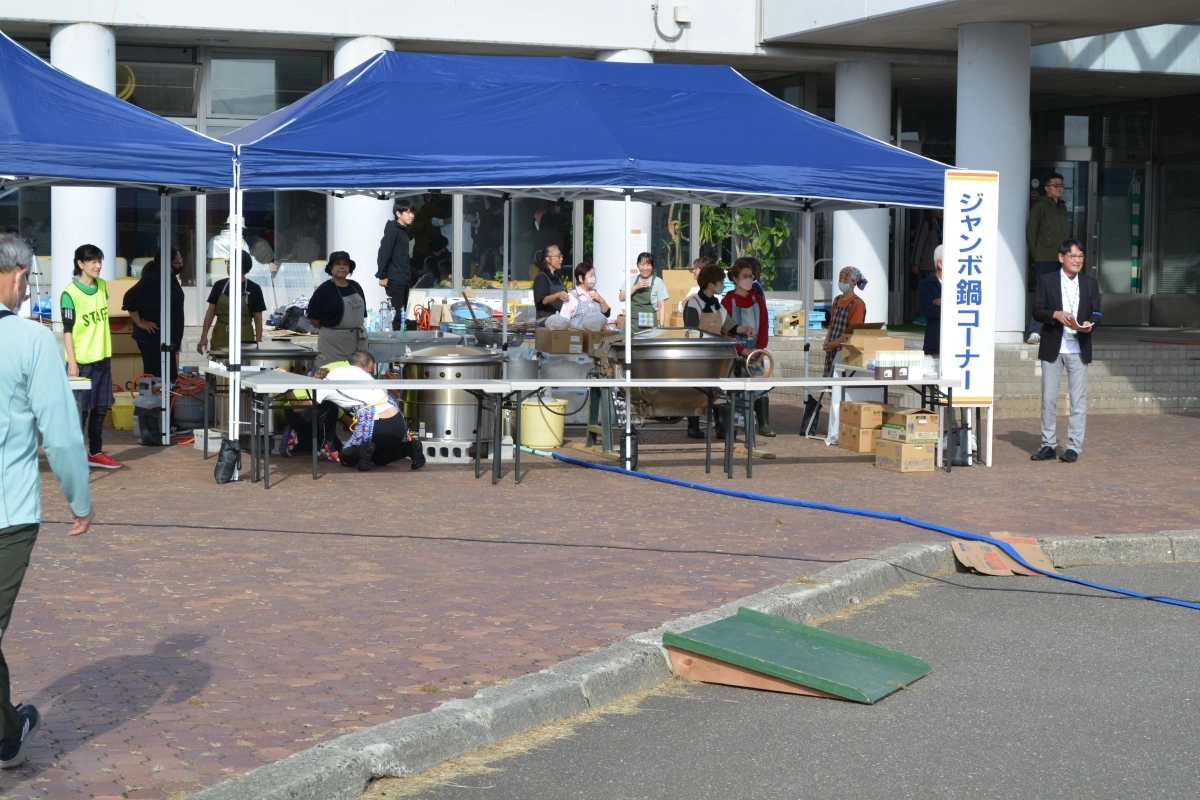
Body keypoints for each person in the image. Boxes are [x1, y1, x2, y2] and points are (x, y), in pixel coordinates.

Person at [0, 234, 94, 769]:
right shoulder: (32, 340)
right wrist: (79, 499)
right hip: (8, 511)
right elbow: (60, 433)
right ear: (19, 275)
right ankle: (7, 732)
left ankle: (7, 733)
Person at [1031, 239, 1100, 464]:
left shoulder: (1090, 283)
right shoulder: (1047, 281)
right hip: (1053, 346)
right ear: (1061, 257)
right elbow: (1036, 311)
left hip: (1079, 348)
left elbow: (1098, 311)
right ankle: (1048, 445)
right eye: (1073, 256)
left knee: (1078, 401)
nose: (1078, 260)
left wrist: (1090, 323)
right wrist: (1055, 314)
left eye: (1081, 256)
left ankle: (1073, 447)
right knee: (1048, 399)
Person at [61, 244, 121, 470]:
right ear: (80, 264)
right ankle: (75, 456)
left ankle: (95, 452)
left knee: (101, 408)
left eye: (99, 261)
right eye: (93, 261)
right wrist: (72, 362)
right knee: (80, 411)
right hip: (81, 362)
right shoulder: (70, 293)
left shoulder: (102, 286)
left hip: (102, 358)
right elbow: (67, 330)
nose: (98, 266)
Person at [317, 350, 426, 471]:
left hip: (375, 423)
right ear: (359, 366)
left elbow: (307, 404)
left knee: (345, 457)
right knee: (378, 459)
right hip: (398, 420)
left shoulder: (326, 383)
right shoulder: (361, 373)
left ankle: (363, 448)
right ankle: (409, 448)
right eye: (369, 370)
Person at [682, 263, 738, 439]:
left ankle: (721, 428)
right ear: (711, 284)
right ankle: (693, 428)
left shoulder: (717, 305)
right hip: (697, 355)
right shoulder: (693, 303)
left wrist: (745, 329)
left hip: (716, 355)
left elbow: (730, 326)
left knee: (719, 391)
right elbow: (691, 331)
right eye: (721, 282)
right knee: (696, 391)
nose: (723, 285)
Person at [721, 258, 774, 437]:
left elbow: (764, 327)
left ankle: (764, 424)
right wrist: (741, 350)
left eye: (751, 276)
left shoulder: (758, 300)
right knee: (736, 389)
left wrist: (759, 350)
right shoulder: (727, 301)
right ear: (735, 278)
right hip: (735, 352)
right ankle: (736, 425)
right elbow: (725, 332)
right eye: (745, 276)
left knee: (760, 386)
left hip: (756, 353)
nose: (749, 279)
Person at [122, 247, 185, 380]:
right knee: (157, 379)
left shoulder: (170, 278)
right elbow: (129, 298)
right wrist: (139, 322)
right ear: (167, 263)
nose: (180, 265)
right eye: (177, 262)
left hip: (166, 340)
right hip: (154, 340)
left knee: (170, 378)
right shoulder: (153, 278)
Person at [1025, 173, 1070, 345]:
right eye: (1055, 185)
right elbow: (1031, 232)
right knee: (1042, 294)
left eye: (1061, 185)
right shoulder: (1040, 206)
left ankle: (1057, 331)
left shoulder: (1063, 207)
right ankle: (1035, 331)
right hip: (1044, 257)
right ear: (1046, 188)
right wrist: (1036, 255)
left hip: (1062, 257)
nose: (1059, 188)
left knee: (1061, 293)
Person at [197, 252, 266, 354]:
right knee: (218, 363)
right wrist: (204, 336)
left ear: (242, 266)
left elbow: (258, 318)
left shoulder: (254, 288)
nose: (228, 265)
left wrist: (259, 342)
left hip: (244, 337)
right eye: (228, 262)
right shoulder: (219, 285)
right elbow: (210, 312)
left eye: (232, 263)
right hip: (220, 335)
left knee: (243, 363)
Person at [307, 251, 366, 364]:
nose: (342, 267)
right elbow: (314, 318)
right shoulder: (323, 290)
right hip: (332, 344)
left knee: (358, 372)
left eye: (345, 264)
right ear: (331, 268)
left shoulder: (356, 286)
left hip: (357, 340)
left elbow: (362, 313)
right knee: (331, 372)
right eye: (338, 264)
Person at [376, 198, 415, 330]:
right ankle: (396, 339)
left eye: (412, 213)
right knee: (396, 316)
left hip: (403, 278)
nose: (411, 216)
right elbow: (384, 253)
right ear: (398, 213)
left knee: (402, 314)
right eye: (408, 212)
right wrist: (382, 275)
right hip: (395, 279)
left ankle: (401, 336)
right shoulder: (393, 230)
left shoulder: (403, 231)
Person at [619, 252, 669, 329]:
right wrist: (635, 287)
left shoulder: (658, 282)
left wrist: (661, 325)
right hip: (631, 324)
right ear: (637, 265)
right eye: (642, 265)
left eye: (648, 265)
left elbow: (661, 305)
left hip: (650, 324)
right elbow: (621, 298)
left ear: (653, 265)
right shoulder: (630, 280)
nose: (645, 268)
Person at [909, 209, 943, 324]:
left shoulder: (945, 223)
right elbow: (919, 243)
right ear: (932, 210)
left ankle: (925, 315)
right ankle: (920, 316)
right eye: (938, 209)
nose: (941, 211)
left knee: (936, 292)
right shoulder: (927, 223)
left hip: (939, 264)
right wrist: (915, 262)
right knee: (927, 291)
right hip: (927, 264)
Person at [558, 262, 611, 328]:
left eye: (594, 275)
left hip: (597, 333)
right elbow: (563, 320)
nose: (594, 278)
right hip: (578, 333)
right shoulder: (571, 297)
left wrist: (601, 300)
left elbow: (607, 314)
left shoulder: (597, 293)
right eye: (591, 275)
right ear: (580, 278)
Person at [918, 245, 943, 357]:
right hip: (935, 343)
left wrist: (943, 302)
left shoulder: (960, 285)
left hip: (958, 344)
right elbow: (929, 311)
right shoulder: (926, 284)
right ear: (940, 264)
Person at [532, 245, 569, 322]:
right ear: (548, 259)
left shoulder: (558, 277)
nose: (561, 259)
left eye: (561, 256)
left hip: (560, 320)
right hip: (546, 322)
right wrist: (557, 295)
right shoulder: (541, 277)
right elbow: (543, 301)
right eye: (558, 256)